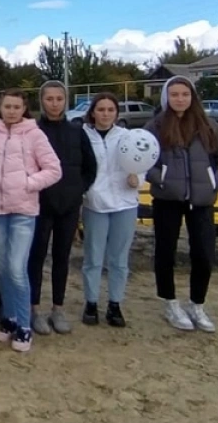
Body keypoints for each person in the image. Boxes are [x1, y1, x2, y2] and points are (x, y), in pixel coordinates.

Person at [145, 77, 218, 333]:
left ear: (192, 96)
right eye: (174, 94)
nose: (180, 99)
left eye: (184, 94)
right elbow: (141, 157)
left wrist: (215, 182)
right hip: (168, 199)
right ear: (167, 97)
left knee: (204, 254)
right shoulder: (156, 126)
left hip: (201, 200)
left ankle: (197, 304)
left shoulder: (208, 126)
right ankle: (170, 302)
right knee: (165, 253)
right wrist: (160, 178)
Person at [0, 89, 61, 353]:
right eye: (7, 106)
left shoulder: (34, 135)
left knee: (16, 268)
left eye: (16, 106)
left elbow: (54, 170)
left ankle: (24, 325)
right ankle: (10, 317)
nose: (11, 111)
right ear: (0, 108)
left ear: (24, 108)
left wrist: (27, 183)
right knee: (2, 267)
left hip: (23, 211)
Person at [30, 81, 97, 336]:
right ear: (42, 101)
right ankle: (34, 309)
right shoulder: (34, 131)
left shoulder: (76, 131)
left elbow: (90, 167)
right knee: (36, 257)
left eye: (59, 99)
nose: (54, 103)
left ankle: (57, 308)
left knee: (61, 257)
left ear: (65, 101)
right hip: (40, 205)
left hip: (68, 206)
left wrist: (77, 189)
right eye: (49, 99)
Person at [81, 93, 139, 328]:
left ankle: (115, 304)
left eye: (110, 110)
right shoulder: (84, 136)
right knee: (93, 257)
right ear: (93, 112)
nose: (105, 114)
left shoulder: (127, 137)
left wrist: (138, 178)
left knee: (119, 259)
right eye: (101, 109)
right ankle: (91, 302)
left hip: (125, 204)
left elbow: (141, 159)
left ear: (116, 113)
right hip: (95, 204)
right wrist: (86, 192)